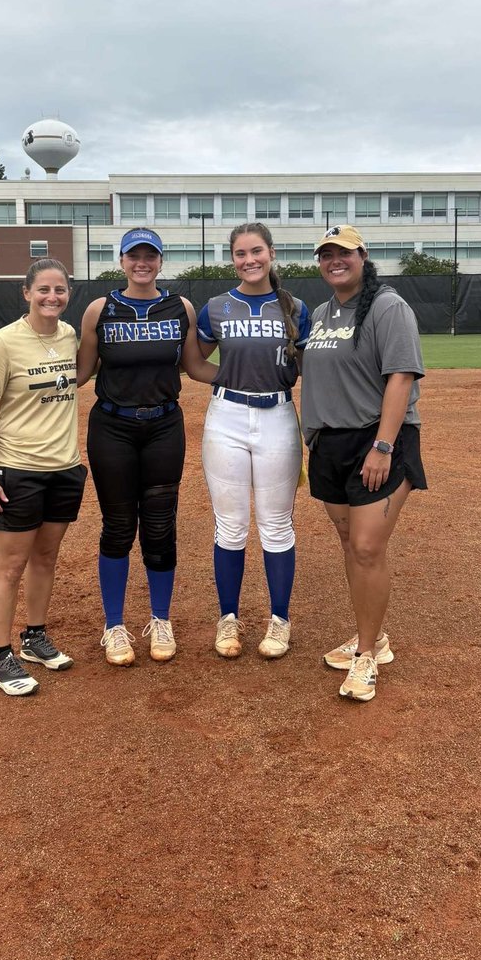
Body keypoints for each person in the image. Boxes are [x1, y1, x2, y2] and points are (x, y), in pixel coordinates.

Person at [76, 228, 214, 666]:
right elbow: (80, 373)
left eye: (149, 255)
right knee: (118, 525)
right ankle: (114, 626)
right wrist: (25, 377)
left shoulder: (181, 308)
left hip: (163, 427)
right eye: (133, 255)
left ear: (159, 260)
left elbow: (193, 366)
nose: (142, 262)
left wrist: (249, 373)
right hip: (112, 426)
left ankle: (160, 619)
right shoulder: (101, 309)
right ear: (121, 261)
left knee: (159, 526)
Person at [300, 225, 427, 702]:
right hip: (330, 444)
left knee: (368, 547)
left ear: (363, 257)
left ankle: (368, 654)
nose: (335, 261)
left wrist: (383, 445)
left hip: (376, 441)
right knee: (352, 545)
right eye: (327, 255)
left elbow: (401, 377)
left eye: (344, 253)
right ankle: (372, 635)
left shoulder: (388, 307)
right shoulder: (321, 313)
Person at [0, 258, 87, 697]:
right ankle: (1, 656)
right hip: (18, 469)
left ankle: (34, 637)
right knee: (10, 566)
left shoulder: (68, 335)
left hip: (64, 467)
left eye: (59, 290)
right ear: (26, 293)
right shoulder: (3, 343)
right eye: (43, 289)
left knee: (45, 558)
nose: (52, 297)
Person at [197, 222, 311, 660]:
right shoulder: (217, 306)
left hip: (279, 415)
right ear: (233, 259)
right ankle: (229, 617)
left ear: (271, 253)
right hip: (226, 416)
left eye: (257, 251)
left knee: (277, 524)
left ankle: (279, 620)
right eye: (241, 254)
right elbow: (194, 361)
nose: (250, 260)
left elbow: (306, 364)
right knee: (230, 525)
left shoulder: (295, 307)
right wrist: (226, 378)